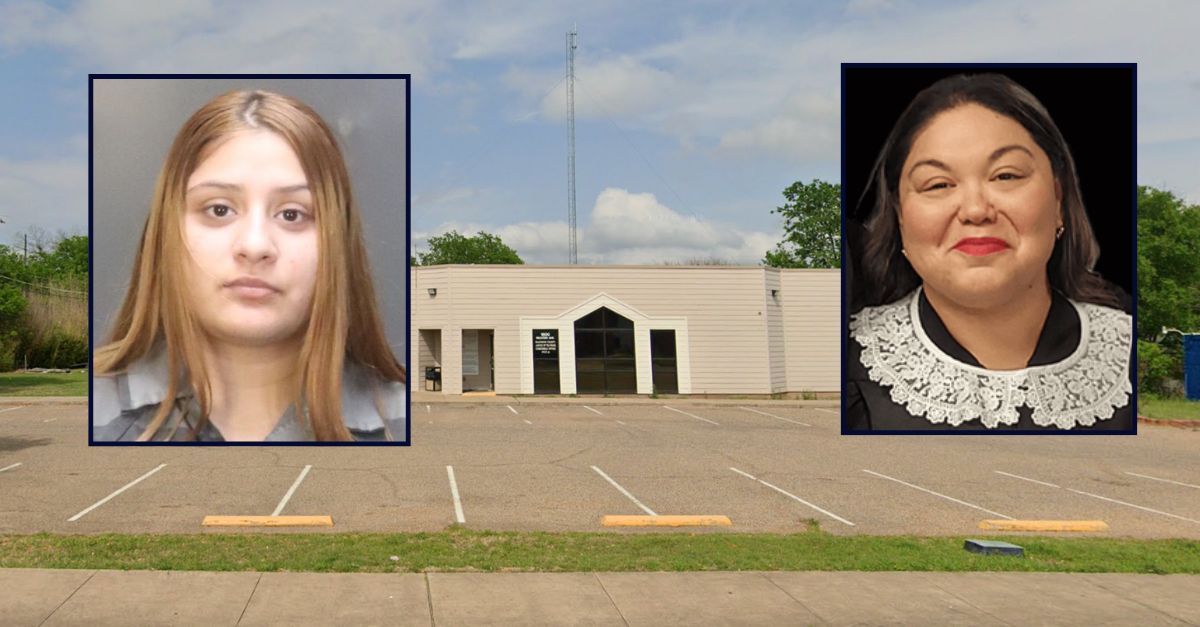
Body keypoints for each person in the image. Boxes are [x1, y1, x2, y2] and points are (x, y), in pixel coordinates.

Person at [93, 89, 407, 442]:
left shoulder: (404, 419)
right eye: (219, 209)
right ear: (167, 232)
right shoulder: (91, 410)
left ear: (336, 244)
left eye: (292, 214)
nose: (255, 246)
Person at [844, 73, 1133, 432]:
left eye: (1006, 176)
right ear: (901, 216)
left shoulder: (1128, 355)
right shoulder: (850, 371)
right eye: (938, 184)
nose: (976, 209)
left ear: (1059, 198)